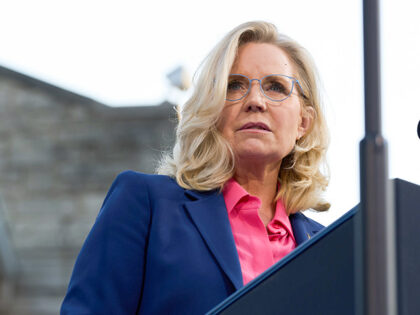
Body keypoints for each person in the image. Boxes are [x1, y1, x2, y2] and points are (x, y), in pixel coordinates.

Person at [61, 21, 330, 314]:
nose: (255, 101)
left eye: (276, 87)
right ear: (213, 111)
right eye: (234, 85)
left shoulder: (331, 248)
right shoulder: (146, 204)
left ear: (304, 122)